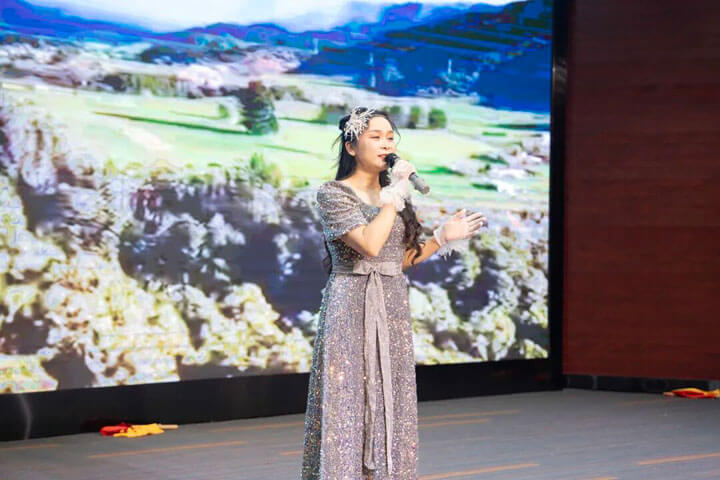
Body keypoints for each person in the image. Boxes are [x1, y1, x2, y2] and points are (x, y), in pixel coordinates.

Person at [301, 107, 486, 480]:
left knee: (391, 396)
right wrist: (394, 195)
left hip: (391, 306)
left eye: (390, 137)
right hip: (350, 307)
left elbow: (394, 260)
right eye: (376, 136)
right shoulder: (333, 194)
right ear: (351, 146)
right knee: (348, 399)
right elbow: (369, 246)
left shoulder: (394, 199)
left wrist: (441, 238)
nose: (386, 144)